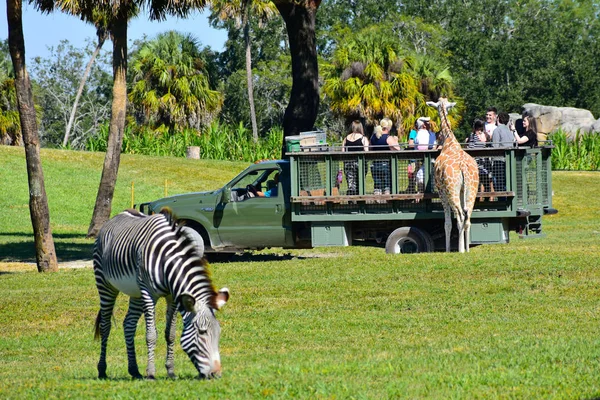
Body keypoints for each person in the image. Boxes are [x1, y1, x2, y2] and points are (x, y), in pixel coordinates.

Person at [466, 119, 495, 200]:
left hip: (484, 164)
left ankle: (488, 203)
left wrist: (484, 140)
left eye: (481, 129)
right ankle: (476, 203)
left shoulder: (485, 135)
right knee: (475, 185)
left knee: (487, 184)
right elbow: (470, 146)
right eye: (477, 129)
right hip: (474, 164)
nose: (479, 131)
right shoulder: (472, 135)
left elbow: (488, 145)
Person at [370, 118, 399, 195]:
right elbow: (398, 149)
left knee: (377, 187)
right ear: (388, 127)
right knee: (387, 187)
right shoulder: (388, 138)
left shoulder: (373, 137)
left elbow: (370, 148)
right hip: (386, 165)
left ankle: (378, 203)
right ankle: (387, 204)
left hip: (375, 165)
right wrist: (396, 140)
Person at [342, 120, 369, 195]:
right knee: (360, 183)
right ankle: (359, 200)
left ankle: (351, 198)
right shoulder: (363, 138)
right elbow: (366, 151)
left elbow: (343, 151)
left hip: (348, 163)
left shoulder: (346, 138)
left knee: (351, 184)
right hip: (360, 164)